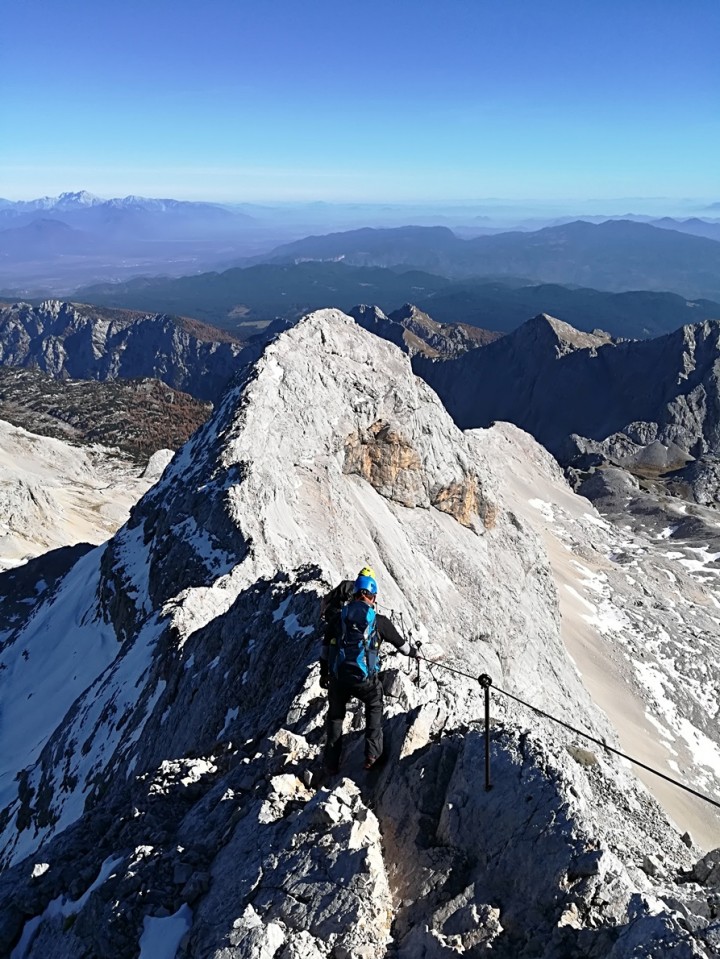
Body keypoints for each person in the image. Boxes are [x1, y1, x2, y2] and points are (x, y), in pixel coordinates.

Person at [320, 571, 418, 773]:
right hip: (365, 681)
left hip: (339, 678)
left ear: (354, 593)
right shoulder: (379, 621)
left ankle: (331, 764)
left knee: (335, 718)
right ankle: (372, 756)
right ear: (373, 597)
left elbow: (326, 649)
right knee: (374, 705)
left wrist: (324, 673)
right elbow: (403, 647)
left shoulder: (339, 618)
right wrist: (415, 653)